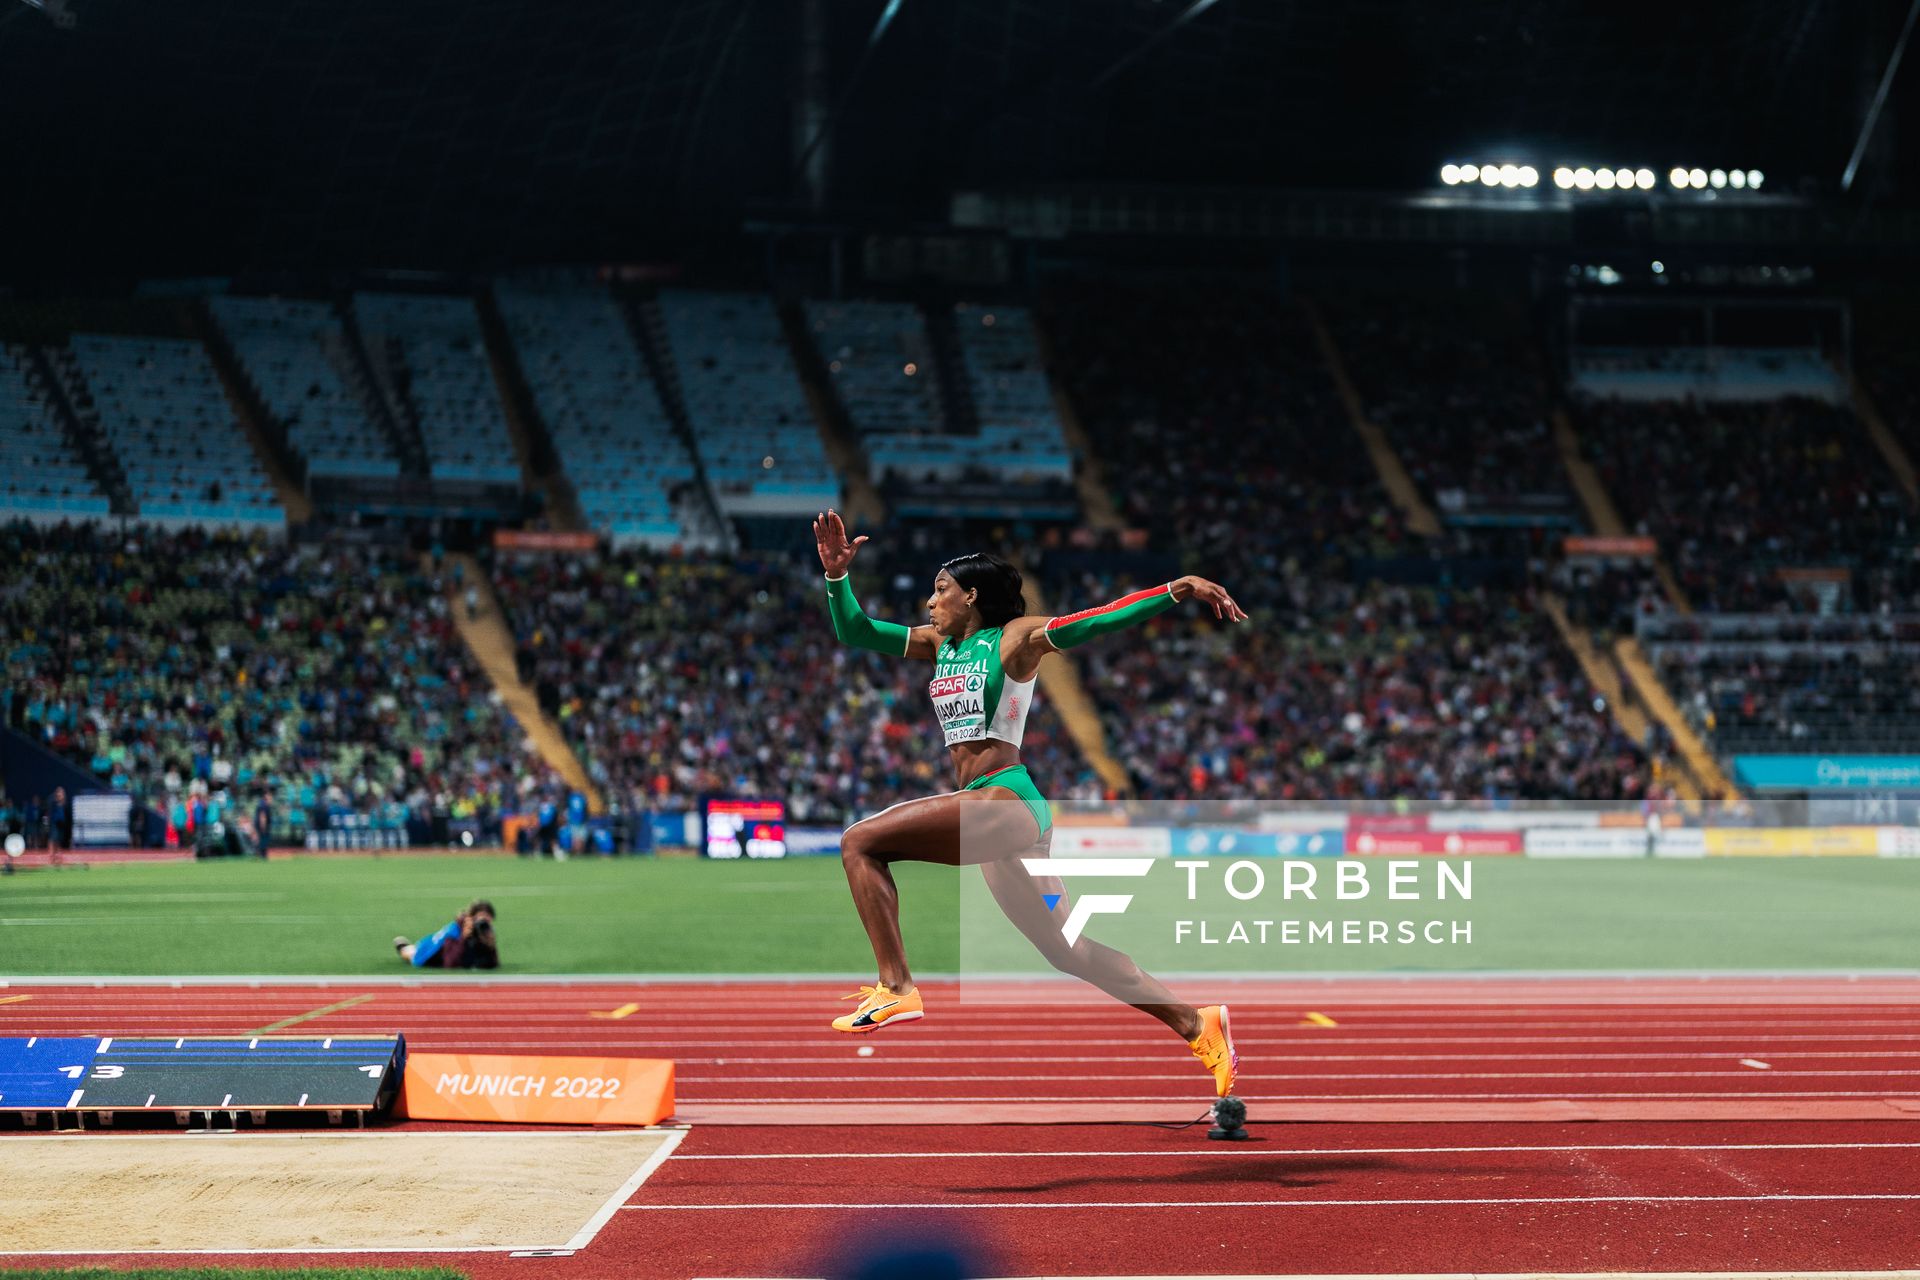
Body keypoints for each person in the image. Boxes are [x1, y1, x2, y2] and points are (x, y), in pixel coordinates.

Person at [812, 510, 1248, 1096]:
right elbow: (857, 631)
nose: (928, 602)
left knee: (860, 841)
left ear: (972, 596)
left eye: (940, 590)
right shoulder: (940, 645)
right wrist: (837, 578)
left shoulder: (1014, 639)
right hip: (994, 815)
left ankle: (896, 986)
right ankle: (1197, 1022)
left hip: (1007, 800)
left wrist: (1175, 590)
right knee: (1069, 950)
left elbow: (1095, 621)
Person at [394, 899, 499, 970]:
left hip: (440, 948)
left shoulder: (484, 933)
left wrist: (490, 944)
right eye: (481, 918)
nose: (483, 923)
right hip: (431, 951)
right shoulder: (454, 932)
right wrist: (463, 938)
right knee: (413, 954)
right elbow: (451, 963)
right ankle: (404, 948)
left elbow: (493, 963)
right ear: (470, 918)